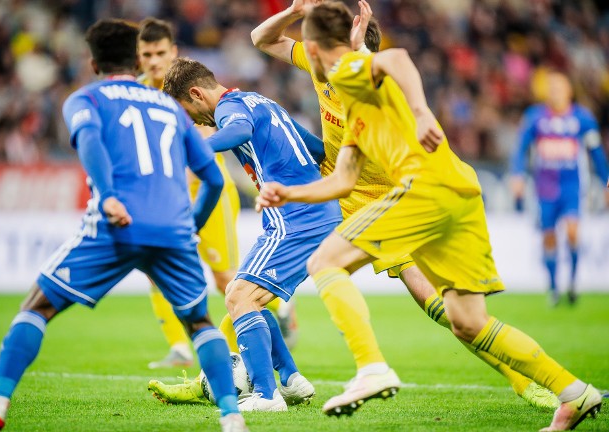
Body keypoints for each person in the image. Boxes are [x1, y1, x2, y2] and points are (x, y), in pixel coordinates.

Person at [256, 3, 602, 430]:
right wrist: (287, 192)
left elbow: (397, 58)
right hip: (459, 192)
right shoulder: (355, 104)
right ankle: (573, 392)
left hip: (419, 192)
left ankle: (371, 368)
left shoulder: (349, 70)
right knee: (468, 323)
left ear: (313, 47)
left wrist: (419, 110)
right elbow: (343, 178)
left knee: (325, 262)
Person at [0, 19, 247, 432]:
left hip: (116, 224)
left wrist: (107, 192)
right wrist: (191, 226)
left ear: (94, 62)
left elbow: (89, 139)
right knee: (200, 322)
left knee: (38, 306)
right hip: (172, 229)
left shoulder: (86, 98)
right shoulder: (171, 106)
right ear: (137, 59)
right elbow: (213, 177)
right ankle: (232, 418)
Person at [159, 57, 342, 411]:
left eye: (188, 111)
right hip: (311, 213)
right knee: (250, 299)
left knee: (238, 298)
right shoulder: (262, 102)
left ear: (197, 93)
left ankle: (266, 394)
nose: (194, 122)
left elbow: (238, 131)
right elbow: (317, 150)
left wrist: (189, 149)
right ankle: (290, 380)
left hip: (295, 217)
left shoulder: (231, 109)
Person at [137, 17, 299, 370]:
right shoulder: (136, 94)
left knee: (227, 281)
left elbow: (222, 138)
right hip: (163, 198)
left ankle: (278, 309)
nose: (152, 61)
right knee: (155, 268)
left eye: (160, 52)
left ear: (173, 52)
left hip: (205, 189)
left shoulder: (195, 95)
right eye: (146, 54)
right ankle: (180, 348)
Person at [511, 70, 609, 306]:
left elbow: (595, 152)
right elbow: (520, 149)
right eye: (550, 88)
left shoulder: (582, 119)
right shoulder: (535, 117)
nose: (554, 93)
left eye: (558, 88)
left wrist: (606, 179)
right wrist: (517, 175)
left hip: (572, 186)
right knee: (549, 238)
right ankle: (554, 288)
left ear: (569, 91)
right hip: (544, 188)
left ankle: (573, 283)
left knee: (573, 231)